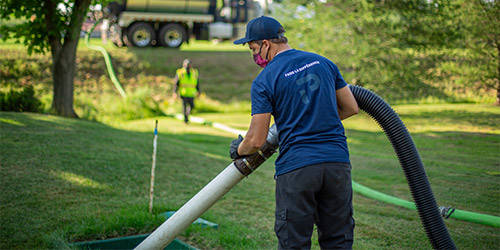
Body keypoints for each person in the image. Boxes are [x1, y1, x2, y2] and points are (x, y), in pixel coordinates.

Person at [229, 16, 359, 249]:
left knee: (294, 242)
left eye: (253, 48)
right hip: (337, 164)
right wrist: (316, 118)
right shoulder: (324, 62)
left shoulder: (264, 80)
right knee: (338, 240)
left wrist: (238, 149)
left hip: (298, 168)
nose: (254, 55)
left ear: (266, 44)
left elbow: (256, 140)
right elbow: (351, 107)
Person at [173, 59, 200, 124]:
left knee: (192, 106)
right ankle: (186, 120)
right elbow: (176, 83)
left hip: (191, 93)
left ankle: (187, 115)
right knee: (184, 107)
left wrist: (199, 91)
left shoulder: (194, 72)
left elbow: (197, 83)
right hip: (183, 92)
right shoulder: (180, 72)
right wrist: (174, 92)